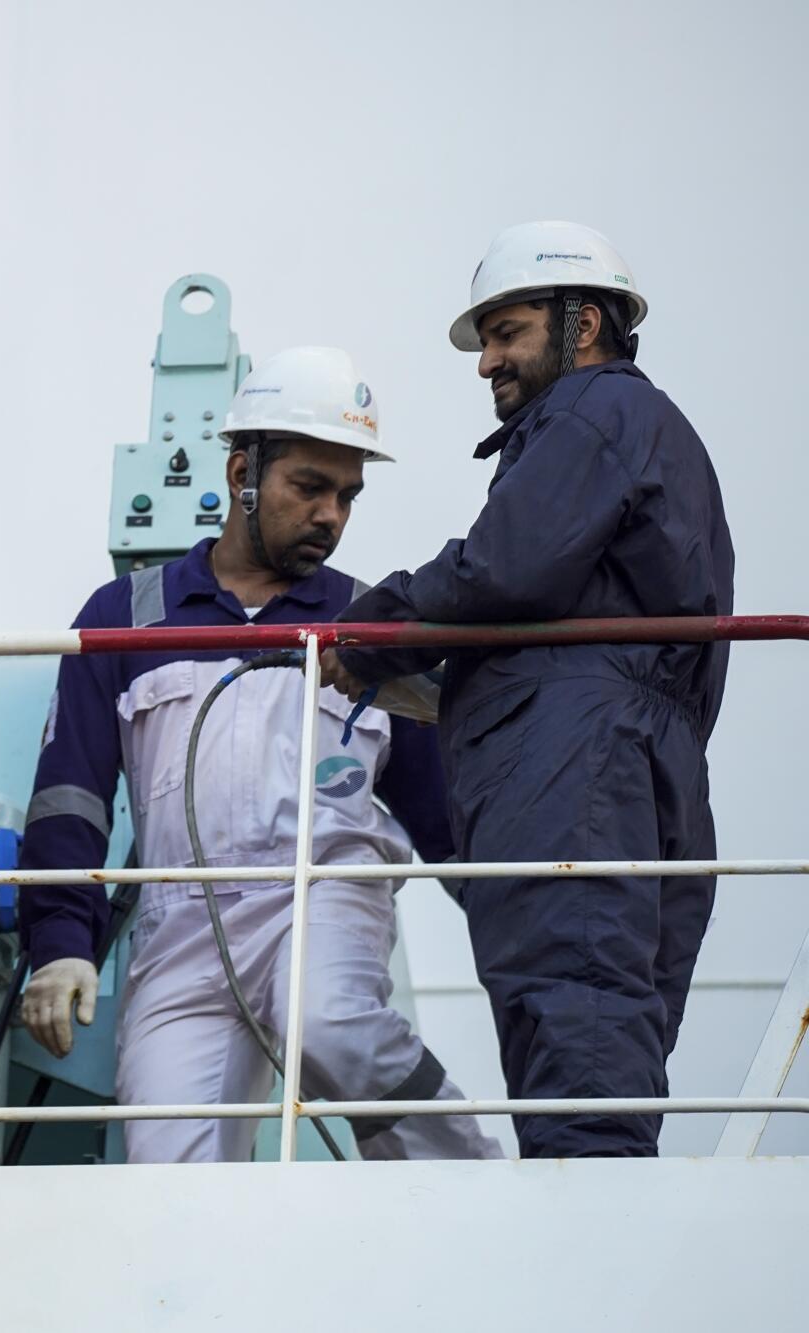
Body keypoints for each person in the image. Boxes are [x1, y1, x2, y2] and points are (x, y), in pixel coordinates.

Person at [18, 348, 500, 1163]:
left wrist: (511, 909)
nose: (330, 515)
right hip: (181, 926)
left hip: (321, 891)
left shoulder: (370, 626)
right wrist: (61, 940)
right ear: (243, 471)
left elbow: (444, 806)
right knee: (164, 1162)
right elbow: (72, 793)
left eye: (346, 495)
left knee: (331, 1022)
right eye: (307, 486)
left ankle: (470, 1182)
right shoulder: (126, 617)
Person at [323, 223, 734, 1158]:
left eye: (507, 333)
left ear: (581, 323)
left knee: (573, 1016)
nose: (488, 363)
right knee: (607, 1034)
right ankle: (603, 1243)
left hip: (573, 771)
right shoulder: (648, 432)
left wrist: (373, 629)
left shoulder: (593, 413)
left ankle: (587, 1264)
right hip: (640, 764)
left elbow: (510, 568)